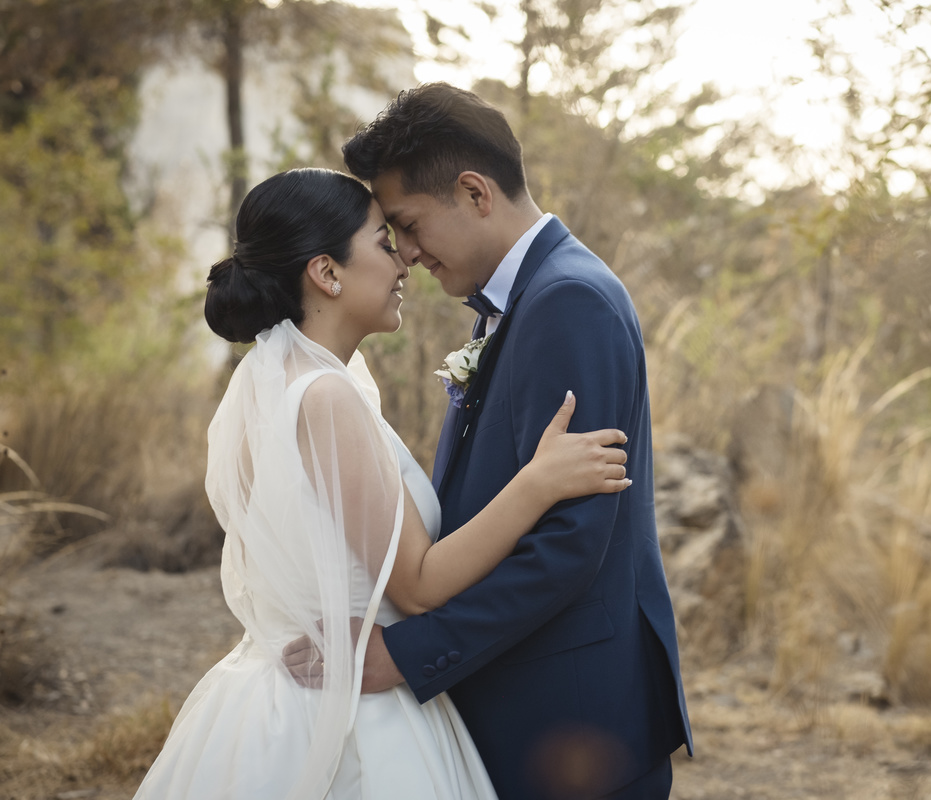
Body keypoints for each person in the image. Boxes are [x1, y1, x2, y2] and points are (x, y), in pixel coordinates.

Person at [133, 167, 633, 799]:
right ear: (326, 272)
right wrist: (538, 483)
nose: (404, 264)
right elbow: (419, 586)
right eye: (383, 242)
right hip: (352, 713)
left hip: (278, 697)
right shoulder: (324, 397)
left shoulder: (274, 380)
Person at [301, 83, 694, 799]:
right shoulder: (520, 298)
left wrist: (410, 653)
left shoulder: (567, 300)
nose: (409, 254)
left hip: (574, 722)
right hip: (533, 705)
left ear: (475, 192)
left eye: (410, 225)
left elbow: (572, 542)